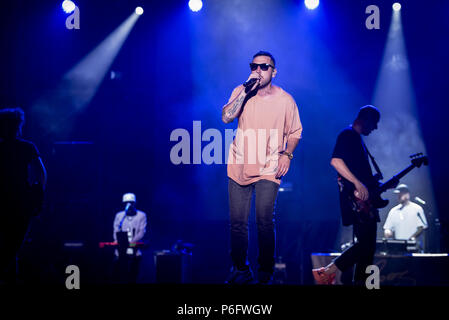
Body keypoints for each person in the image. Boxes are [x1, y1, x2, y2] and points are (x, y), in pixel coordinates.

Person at [221, 51, 302, 284]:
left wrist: (287, 154)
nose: (258, 70)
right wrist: (245, 91)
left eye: (264, 66)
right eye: (254, 66)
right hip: (240, 163)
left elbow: (296, 131)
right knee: (237, 222)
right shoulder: (242, 90)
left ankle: (265, 271)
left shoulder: (286, 100)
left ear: (274, 71)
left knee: (264, 218)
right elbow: (226, 118)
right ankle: (240, 269)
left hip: (270, 165)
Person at [312, 105, 387, 286]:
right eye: (374, 123)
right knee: (365, 245)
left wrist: (373, 184)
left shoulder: (357, 140)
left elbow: (363, 178)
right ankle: (327, 271)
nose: (375, 128)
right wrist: (357, 182)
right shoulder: (347, 135)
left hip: (364, 202)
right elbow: (335, 161)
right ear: (365, 119)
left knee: (367, 248)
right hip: (357, 202)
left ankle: (360, 282)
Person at [0, 107, 47, 284]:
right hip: (21, 203)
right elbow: (41, 173)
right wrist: (38, 196)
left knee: (8, 248)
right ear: (18, 126)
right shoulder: (27, 147)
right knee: (13, 248)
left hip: (4, 203)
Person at [112, 193, 147, 283]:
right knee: (118, 275)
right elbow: (116, 230)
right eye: (126, 203)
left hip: (135, 252)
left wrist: (131, 242)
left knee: (133, 276)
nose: (129, 205)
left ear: (135, 203)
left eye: (131, 202)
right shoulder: (119, 216)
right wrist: (118, 240)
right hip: (120, 252)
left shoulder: (141, 215)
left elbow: (141, 232)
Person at [383, 184, 428, 249]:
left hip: (414, 247)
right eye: (397, 194)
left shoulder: (417, 209)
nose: (398, 196)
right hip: (399, 248)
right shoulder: (393, 211)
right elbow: (388, 228)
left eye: (400, 194)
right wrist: (387, 231)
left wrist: (411, 239)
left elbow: (421, 227)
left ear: (407, 194)